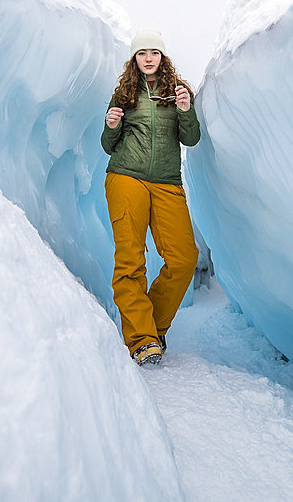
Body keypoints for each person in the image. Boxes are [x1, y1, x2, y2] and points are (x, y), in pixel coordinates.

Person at [101, 29, 200, 366]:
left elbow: (192, 137)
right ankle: (142, 340)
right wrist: (112, 126)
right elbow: (107, 145)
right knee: (130, 259)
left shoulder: (178, 92)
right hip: (126, 177)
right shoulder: (124, 94)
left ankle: (152, 327)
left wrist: (186, 109)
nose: (148, 58)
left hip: (167, 182)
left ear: (162, 57)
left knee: (184, 257)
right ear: (134, 59)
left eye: (153, 52)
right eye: (141, 53)